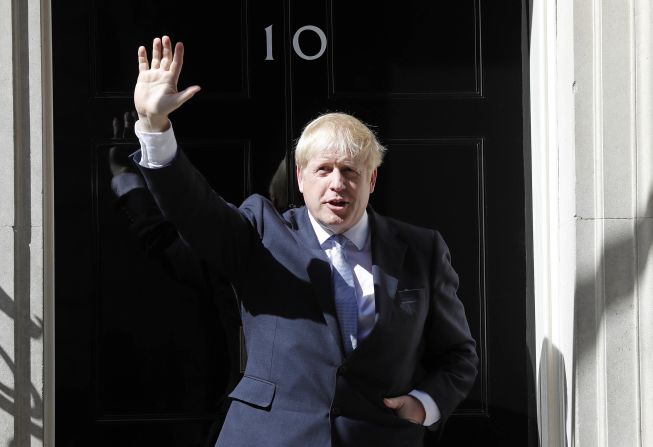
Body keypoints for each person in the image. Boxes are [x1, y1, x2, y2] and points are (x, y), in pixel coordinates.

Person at [130, 35, 478, 447]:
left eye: (350, 170)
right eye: (323, 169)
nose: (337, 184)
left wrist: (423, 405)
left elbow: (458, 357)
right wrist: (155, 127)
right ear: (300, 178)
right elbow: (194, 209)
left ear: (372, 179)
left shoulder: (422, 250)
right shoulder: (262, 230)